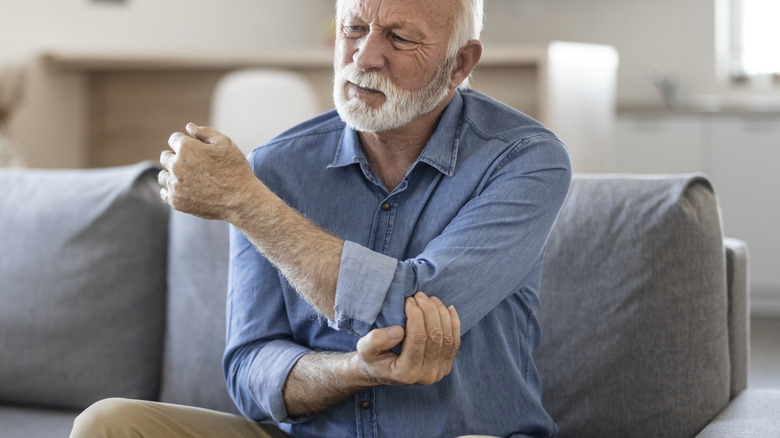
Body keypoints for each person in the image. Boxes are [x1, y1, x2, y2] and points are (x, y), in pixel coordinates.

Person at [70, 0, 571, 437]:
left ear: (460, 62)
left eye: (399, 38)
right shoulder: (274, 167)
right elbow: (249, 369)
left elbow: (405, 316)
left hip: (464, 435)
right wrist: (355, 370)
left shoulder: (525, 159)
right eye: (353, 29)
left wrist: (247, 204)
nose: (365, 57)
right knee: (108, 424)